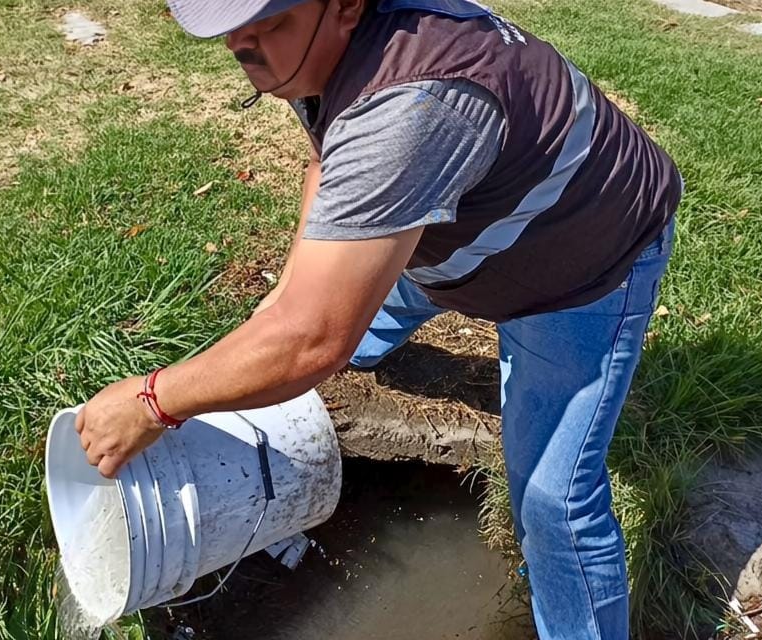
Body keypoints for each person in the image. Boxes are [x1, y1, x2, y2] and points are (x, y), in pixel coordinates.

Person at [73, 1, 682, 637]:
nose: (240, 45)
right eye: (230, 27)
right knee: (322, 335)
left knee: (554, 502)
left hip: (579, 263)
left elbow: (314, 342)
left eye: (266, 24)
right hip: (458, 238)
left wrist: (151, 402)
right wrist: (290, 292)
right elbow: (328, 156)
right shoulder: (318, 47)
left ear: (346, 5)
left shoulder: (414, 106)